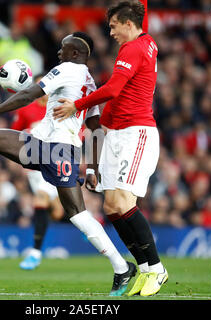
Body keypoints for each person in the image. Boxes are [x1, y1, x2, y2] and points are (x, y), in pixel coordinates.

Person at [0, 32, 137, 296]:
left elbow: (29, 95)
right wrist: (92, 167)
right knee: (77, 214)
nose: (58, 52)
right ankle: (121, 268)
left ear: (74, 53)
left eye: (63, 48)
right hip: (62, 151)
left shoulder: (67, 69)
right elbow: (95, 128)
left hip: (53, 148)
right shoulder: (89, 82)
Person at [53, 1, 168, 297]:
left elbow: (114, 89)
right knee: (110, 206)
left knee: (124, 204)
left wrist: (77, 105)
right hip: (116, 134)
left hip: (135, 132)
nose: (111, 31)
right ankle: (143, 269)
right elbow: (140, 8)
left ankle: (156, 269)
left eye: (114, 25)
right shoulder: (146, 41)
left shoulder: (133, 49)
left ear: (129, 24)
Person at [10, 74, 64, 270]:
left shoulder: (60, 108)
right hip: (33, 168)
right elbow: (14, 135)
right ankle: (79, 216)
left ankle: (35, 253)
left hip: (53, 164)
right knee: (57, 212)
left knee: (40, 199)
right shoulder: (27, 110)